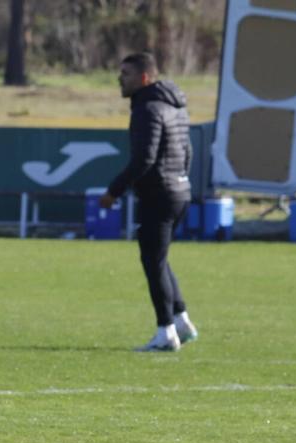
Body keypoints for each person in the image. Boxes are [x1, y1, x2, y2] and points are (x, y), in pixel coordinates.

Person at [100, 51, 198, 352]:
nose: (120, 79)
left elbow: (144, 159)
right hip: (180, 191)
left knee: (153, 262)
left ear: (144, 78)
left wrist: (114, 191)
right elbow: (188, 151)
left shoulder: (147, 108)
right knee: (159, 258)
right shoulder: (175, 106)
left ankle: (165, 333)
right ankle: (181, 320)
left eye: (125, 73)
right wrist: (181, 178)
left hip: (160, 194)